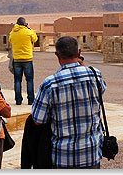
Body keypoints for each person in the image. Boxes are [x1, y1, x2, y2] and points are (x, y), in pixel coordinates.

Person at [31, 36, 107, 169]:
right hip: (91, 153)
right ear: (79, 52)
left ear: (57, 54)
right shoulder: (95, 75)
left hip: (63, 157)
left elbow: (38, 119)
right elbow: (101, 91)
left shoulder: (50, 84)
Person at [9, 17, 38, 105]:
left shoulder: (13, 33)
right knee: (29, 80)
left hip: (17, 59)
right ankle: (31, 100)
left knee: (17, 80)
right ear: (25, 23)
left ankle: (18, 100)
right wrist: (29, 29)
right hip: (27, 59)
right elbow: (35, 39)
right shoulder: (28, 32)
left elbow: (10, 40)